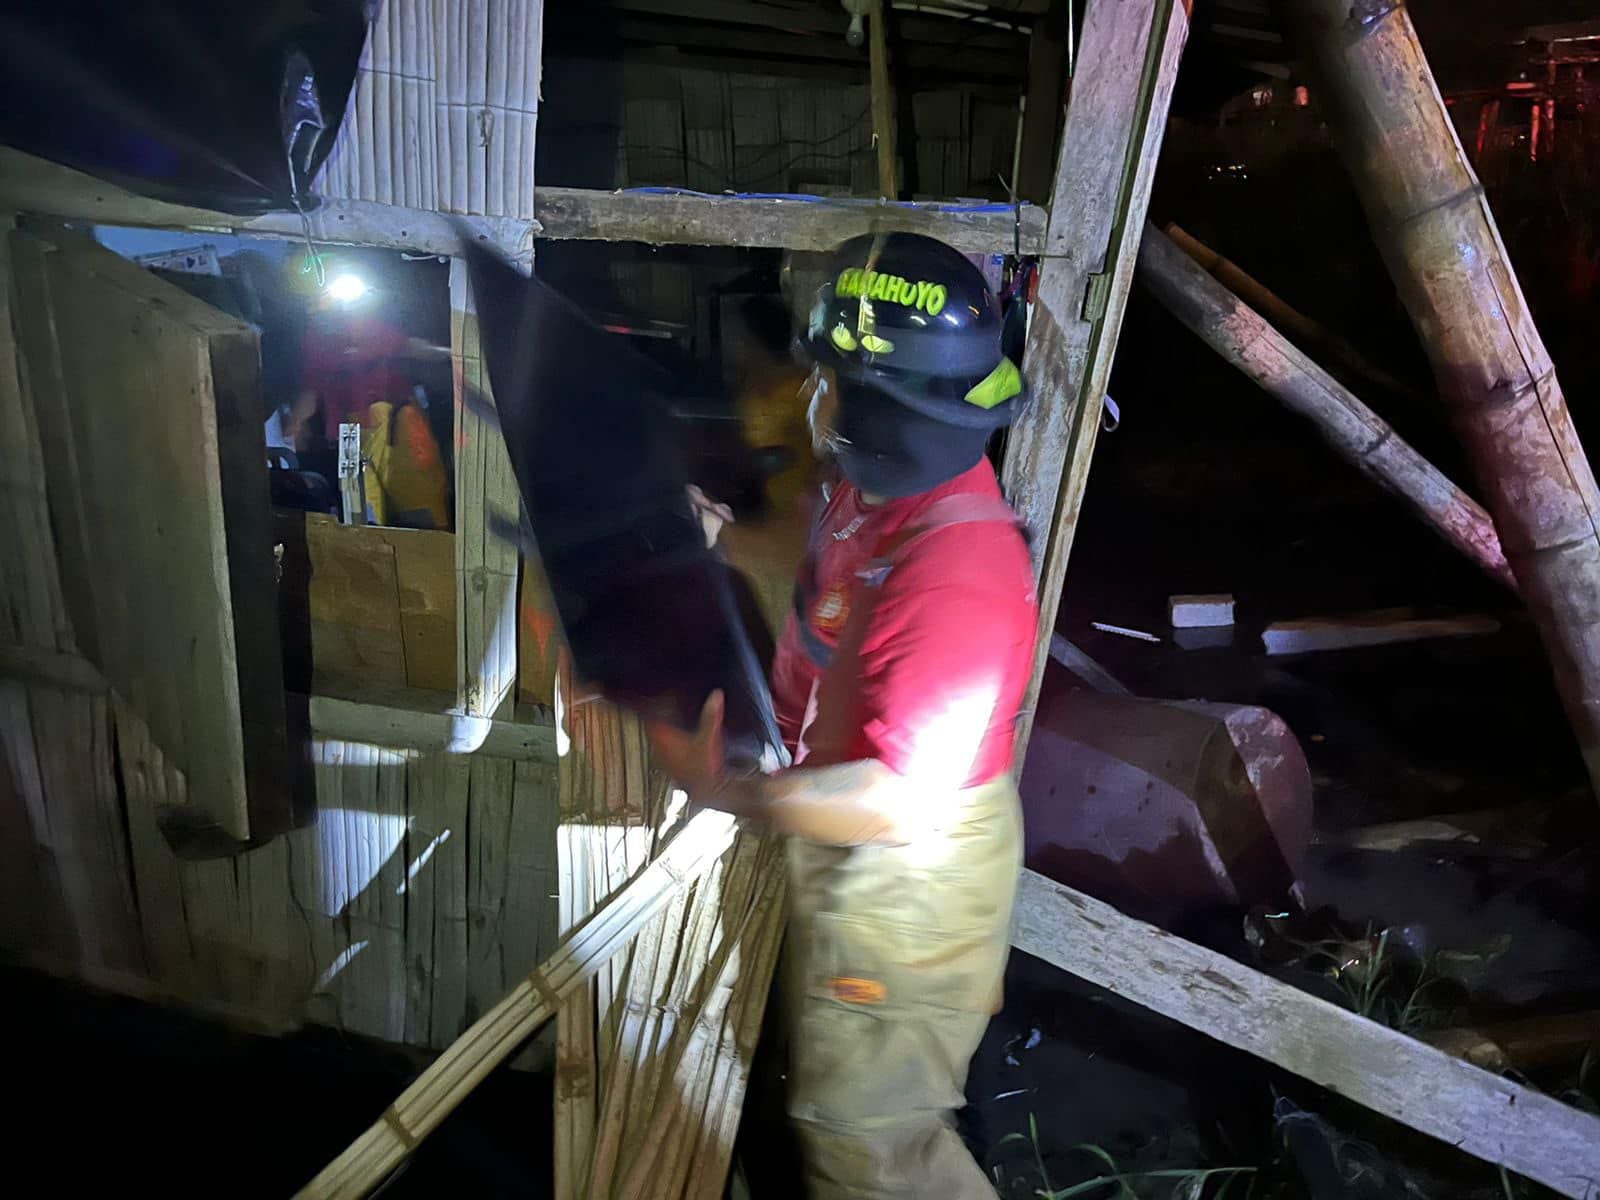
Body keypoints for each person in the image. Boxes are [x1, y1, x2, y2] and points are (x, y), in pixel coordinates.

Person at [649, 233, 1038, 1199]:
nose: (808, 396)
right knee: (819, 1090)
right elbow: (822, 574)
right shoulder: (870, 493)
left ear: (878, 404)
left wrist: (726, 789)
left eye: (827, 378)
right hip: (842, 817)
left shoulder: (960, 576)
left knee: (867, 1136)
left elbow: (892, 802)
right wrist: (726, 539)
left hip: (906, 868)